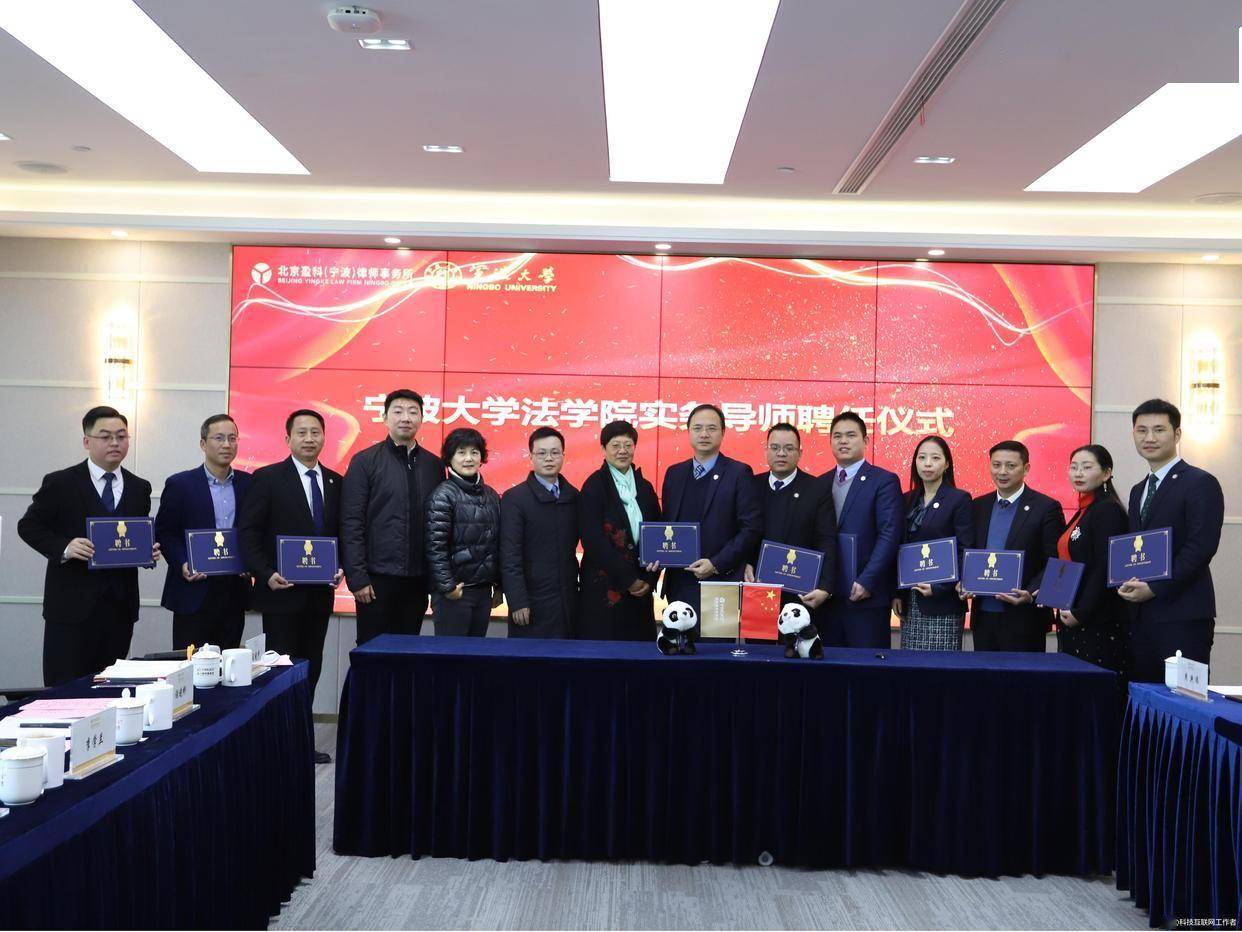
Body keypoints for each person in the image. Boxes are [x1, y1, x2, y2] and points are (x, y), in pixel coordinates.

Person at [18, 406, 159, 686]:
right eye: (105, 436)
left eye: (121, 436)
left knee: (110, 689)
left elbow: (131, 538)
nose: (115, 443)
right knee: (65, 690)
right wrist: (65, 547)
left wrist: (146, 552)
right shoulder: (61, 482)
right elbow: (29, 526)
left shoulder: (139, 487)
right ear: (87, 441)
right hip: (71, 608)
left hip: (119, 608)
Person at [237, 409, 343, 763]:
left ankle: (300, 742)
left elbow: (341, 534)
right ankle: (276, 744)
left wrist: (340, 566)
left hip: (319, 594)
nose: (309, 438)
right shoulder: (266, 478)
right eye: (302, 432)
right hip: (280, 593)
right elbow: (248, 532)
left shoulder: (335, 481)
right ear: (288, 439)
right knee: (282, 669)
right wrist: (265, 573)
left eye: (315, 432)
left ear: (324, 437)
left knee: (311, 667)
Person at [1119, 399, 1224, 682]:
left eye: (1159, 430)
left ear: (1177, 434)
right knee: (1145, 700)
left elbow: (1201, 547)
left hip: (1183, 616)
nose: (1149, 438)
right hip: (1141, 619)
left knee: (1183, 701)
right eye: (1141, 430)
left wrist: (1155, 588)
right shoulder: (1138, 490)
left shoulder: (1200, 482)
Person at [341, 389, 444, 645]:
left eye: (413, 412)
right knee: (371, 651)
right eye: (398, 411)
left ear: (422, 418)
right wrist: (357, 577)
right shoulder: (365, 461)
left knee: (407, 650)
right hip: (376, 580)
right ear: (385, 417)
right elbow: (351, 522)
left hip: (417, 581)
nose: (405, 418)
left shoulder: (434, 465)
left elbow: (439, 525)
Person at [154, 414, 252, 650]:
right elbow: (165, 532)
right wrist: (182, 562)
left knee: (229, 664)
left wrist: (252, 561)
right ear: (203, 443)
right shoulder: (180, 484)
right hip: (193, 591)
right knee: (190, 664)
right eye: (219, 438)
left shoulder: (249, 484)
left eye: (232, 438)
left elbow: (255, 532)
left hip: (234, 592)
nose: (227, 444)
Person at [659, 404, 763, 628]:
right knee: (677, 643)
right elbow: (666, 525)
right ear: (688, 432)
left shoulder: (739, 473)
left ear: (723, 433)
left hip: (720, 582)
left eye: (711, 428)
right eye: (697, 428)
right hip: (679, 582)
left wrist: (716, 563)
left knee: (716, 646)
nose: (704, 434)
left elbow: (750, 529)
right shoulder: (674, 473)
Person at [967, 440, 1065, 652]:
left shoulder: (1046, 507)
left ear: (1026, 468)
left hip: (1025, 617)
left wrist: (1030, 592)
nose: (1002, 472)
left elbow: (1054, 560)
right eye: (996, 465)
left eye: (1010, 466)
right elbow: (969, 552)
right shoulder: (978, 505)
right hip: (983, 616)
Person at [822, 412, 902, 648]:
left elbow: (889, 534)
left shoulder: (883, 480)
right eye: (837, 436)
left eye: (850, 435)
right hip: (827, 598)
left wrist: (868, 579)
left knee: (867, 665)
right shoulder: (820, 482)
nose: (843, 441)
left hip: (866, 596)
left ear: (866, 441)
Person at [577, 420, 662, 640]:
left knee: (639, 653)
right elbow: (592, 540)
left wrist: (649, 578)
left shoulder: (645, 487)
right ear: (603, 449)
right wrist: (628, 579)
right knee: (603, 653)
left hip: (641, 589)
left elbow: (659, 534)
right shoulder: (594, 486)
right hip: (605, 588)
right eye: (615, 445)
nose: (622, 451)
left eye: (628, 445)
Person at [1052, 444, 1130, 674]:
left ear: (1106, 473)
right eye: (1074, 467)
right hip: (1072, 613)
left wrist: (1082, 611)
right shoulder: (1085, 509)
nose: (1078, 473)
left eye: (1086, 467)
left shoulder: (1108, 510)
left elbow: (1105, 566)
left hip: (1095, 618)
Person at [745, 423, 837, 616]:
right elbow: (742, 532)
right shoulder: (751, 485)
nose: (781, 453)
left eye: (789, 448)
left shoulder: (816, 489)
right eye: (775, 448)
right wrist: (745, 563)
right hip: (757, 588)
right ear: (766, 450)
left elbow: (826, 539)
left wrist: (825, 587)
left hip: (800, 593)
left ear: (800, 452)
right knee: (757, 636)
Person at [892, 436, 973, 650]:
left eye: (935, 458)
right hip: (911, 600)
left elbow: (965, 550)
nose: (927, 464)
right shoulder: (906, 499)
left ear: (947, 464)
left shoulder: (959, 499)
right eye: (922, 458)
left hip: (943, 603)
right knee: (911, 664)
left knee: (941, 665)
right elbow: (898, 549)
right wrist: (898, 594)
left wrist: (940, 588)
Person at [499, 427, 580, 638]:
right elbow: (509, 555)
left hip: (569, 600)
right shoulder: (515, 498)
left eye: (555, 452)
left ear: (563, 455)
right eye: (541, 453)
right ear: (531, 457)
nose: (549, 458)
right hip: (531, 602)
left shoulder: (574, 496)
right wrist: (517, 601)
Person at [425, 427, 502, 637]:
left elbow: (498, 544)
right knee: (451, 654)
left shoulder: (492, 496)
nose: (468, 458)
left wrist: (498, 585)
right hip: (455, 593)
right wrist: (447, 587)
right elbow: (435, 547)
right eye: (461, 452)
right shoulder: (442, 495)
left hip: (483, 592)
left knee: (475, 654)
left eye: (474, 452)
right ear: (450, 458)